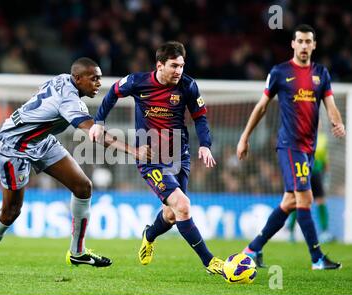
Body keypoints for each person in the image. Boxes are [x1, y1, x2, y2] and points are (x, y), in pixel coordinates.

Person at [0, 57, 151, 275]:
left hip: (41, 141)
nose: (98, 84)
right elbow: (95, 133)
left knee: (83, 187)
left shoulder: (63, 80)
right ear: (77, 78)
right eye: (93, 79)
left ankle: (77, 253)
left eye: (100, 79)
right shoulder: (69, 101)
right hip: (14, 147)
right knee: (11, 211)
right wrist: (135, 152)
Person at [89, 41, 224, 275]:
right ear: (159, 65)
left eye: (181, 66)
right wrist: (99, 121)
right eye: (173, 66)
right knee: (183, 206)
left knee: (172, 215)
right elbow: (112, 92)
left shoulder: (188, 86)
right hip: (150, 158)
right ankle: (210, 262)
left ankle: (149, 234)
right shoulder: (137, 82)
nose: (179, 71)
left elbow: (200, 117)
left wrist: (205, 145)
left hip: (179, 156)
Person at [236, 24, 345, 270]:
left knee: (289, 203)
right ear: (293, 44)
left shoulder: (321, 73)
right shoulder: (280, 72)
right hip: (289, 146)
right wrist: (244, 137)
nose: (304, 46)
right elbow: (262, 106)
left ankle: (252, 249)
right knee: (305, 198)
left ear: (314, 45)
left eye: (309, 41)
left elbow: (330, 105)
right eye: (300, 41)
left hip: (308, 149)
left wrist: (338, 124)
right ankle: (317, 258)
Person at [287, 130, 334, 243]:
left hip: (316, 171)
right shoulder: (301, 134)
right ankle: (291, 231)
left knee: (320, 201)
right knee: (298, 201)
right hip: (303, 171)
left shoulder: (322, 138)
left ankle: (324, 231)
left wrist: (327, 174)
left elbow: (325, 159)